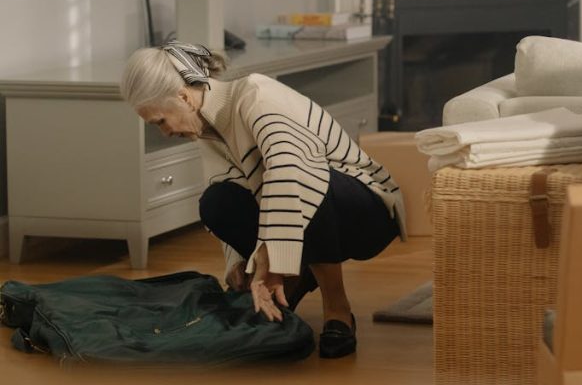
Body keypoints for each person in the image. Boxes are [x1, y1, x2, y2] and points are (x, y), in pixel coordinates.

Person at [120, 41, 406, 359]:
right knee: (215, 202)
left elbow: (290, 168)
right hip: (306, 206)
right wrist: (239, 265)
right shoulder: (206, 128)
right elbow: (226, 185)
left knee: (298, 176)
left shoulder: (255, 93)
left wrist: (270, 263)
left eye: (160, 121)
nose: (165, 131)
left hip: (366, 208)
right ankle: (294, 276)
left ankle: (336, 305)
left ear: (184, 97)